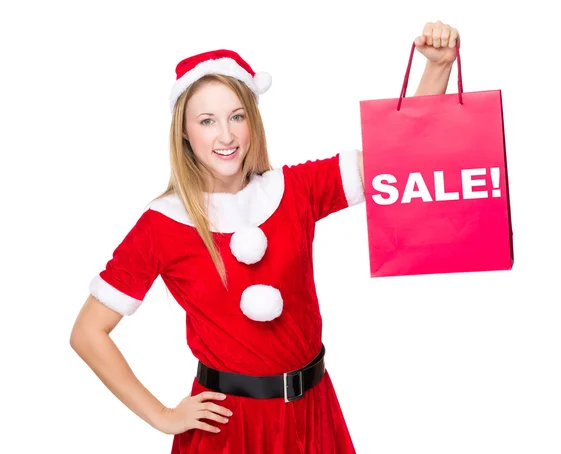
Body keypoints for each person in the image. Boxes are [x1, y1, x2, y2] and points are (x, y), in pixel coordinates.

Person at [70, 20, 460, 454]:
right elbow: (88, 332)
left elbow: (395, 158)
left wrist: (438, 69)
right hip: (228, 430)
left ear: (252, 120)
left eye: (237, 116)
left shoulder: (296, 190)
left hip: (313, 414)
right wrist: (162, 415)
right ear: (184, 131)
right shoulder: (163, 223)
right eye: (207, 121)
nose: (225, 135)